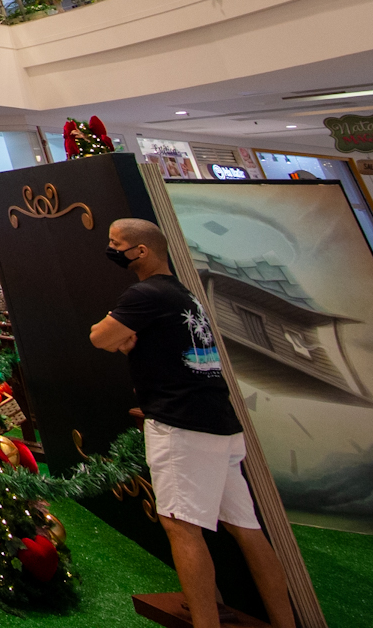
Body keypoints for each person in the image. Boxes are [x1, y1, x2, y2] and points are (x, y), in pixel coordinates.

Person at [90, 219, 293, 628]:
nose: (111, 249)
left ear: (141, 251)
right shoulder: (182, 295)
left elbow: (99, 337)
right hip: (219, 421)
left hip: (180, 424)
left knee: (181, 528)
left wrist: (120, 338)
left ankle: (205, 620)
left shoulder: (145, 294)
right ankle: (285, 621)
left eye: (117, 243)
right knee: (246, 528)